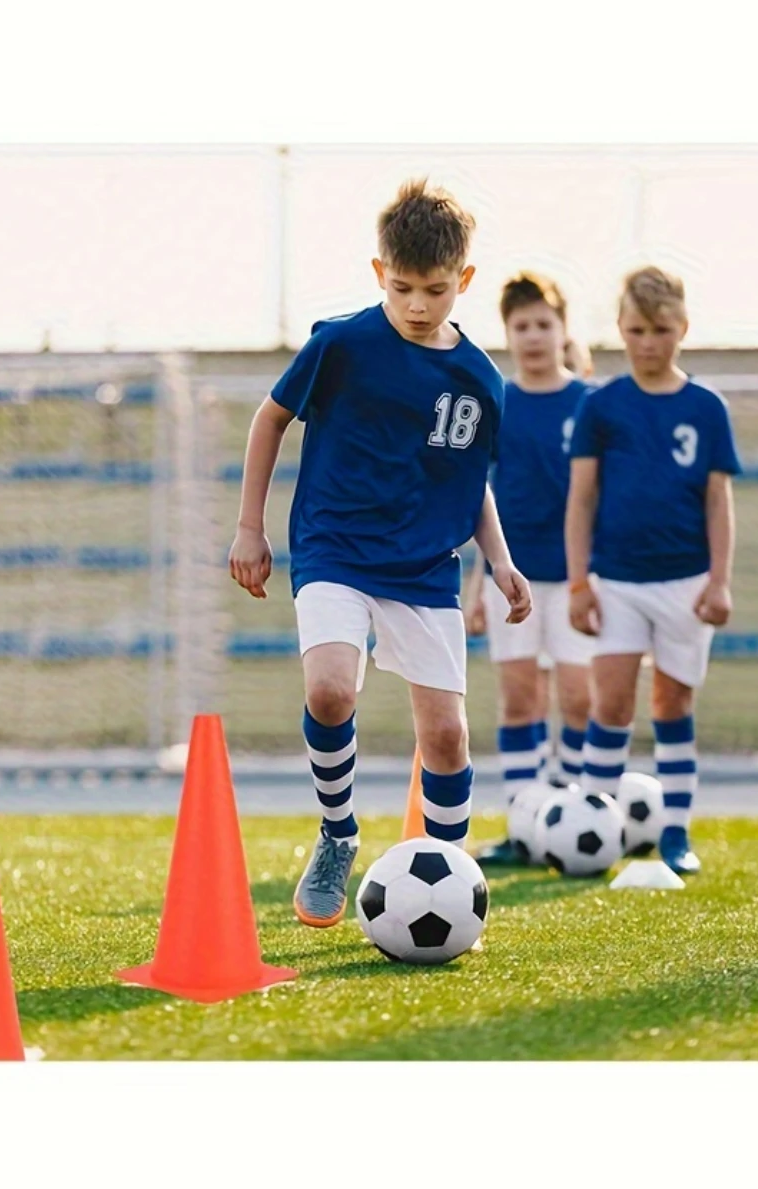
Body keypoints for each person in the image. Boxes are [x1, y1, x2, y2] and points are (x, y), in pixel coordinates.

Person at [228, 179, 531, 926]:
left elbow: (471, 482)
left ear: (463, 280)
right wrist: (249, 527)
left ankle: (453, 885)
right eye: (402, 288)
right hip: (334, 548)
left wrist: (499, 560)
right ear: (378, 274)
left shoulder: (480, 381)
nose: (418, 305)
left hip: (425, 568)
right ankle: (338, 834)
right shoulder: (341, 344)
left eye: (435, 289)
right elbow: (270, 421)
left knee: (449, 738)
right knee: (331, 689)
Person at [564, 266, 740, 875]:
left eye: (661, 329)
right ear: (620, 329)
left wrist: (719, 580)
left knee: (672, 703)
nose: (647, 342)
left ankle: (675, 832)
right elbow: (580, 500)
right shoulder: (602, 407)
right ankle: (594, 820)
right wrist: (580, 582)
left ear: (682, 328)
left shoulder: (706, 408)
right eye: (636, 330)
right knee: (609, 702)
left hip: (686, 582)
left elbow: (718, 501)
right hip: (615, 580)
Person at [463, 273, 594, 867]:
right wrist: (475, 583)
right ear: (508, 333)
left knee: (579, 699)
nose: (534, 335)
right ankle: (523, 824)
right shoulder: (498, 402)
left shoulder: (590, 405)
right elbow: (477, 497)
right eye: (522, 326)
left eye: (544, 324)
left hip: (577, 581)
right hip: (509, 579)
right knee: (520, 700)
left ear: (563, 330)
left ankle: (570, 816)